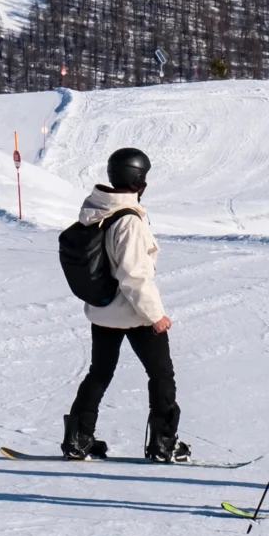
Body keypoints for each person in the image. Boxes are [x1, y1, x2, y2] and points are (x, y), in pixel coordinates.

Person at [63, 146, 188, 464]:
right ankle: (163, 444)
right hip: (135, 313)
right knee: (161, 375)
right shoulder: (129, 221)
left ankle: (78, 439)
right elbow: (134, 275)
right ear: (140, 180)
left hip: (102, 310)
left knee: (99, 373)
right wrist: (155, 316)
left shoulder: (97, 209)